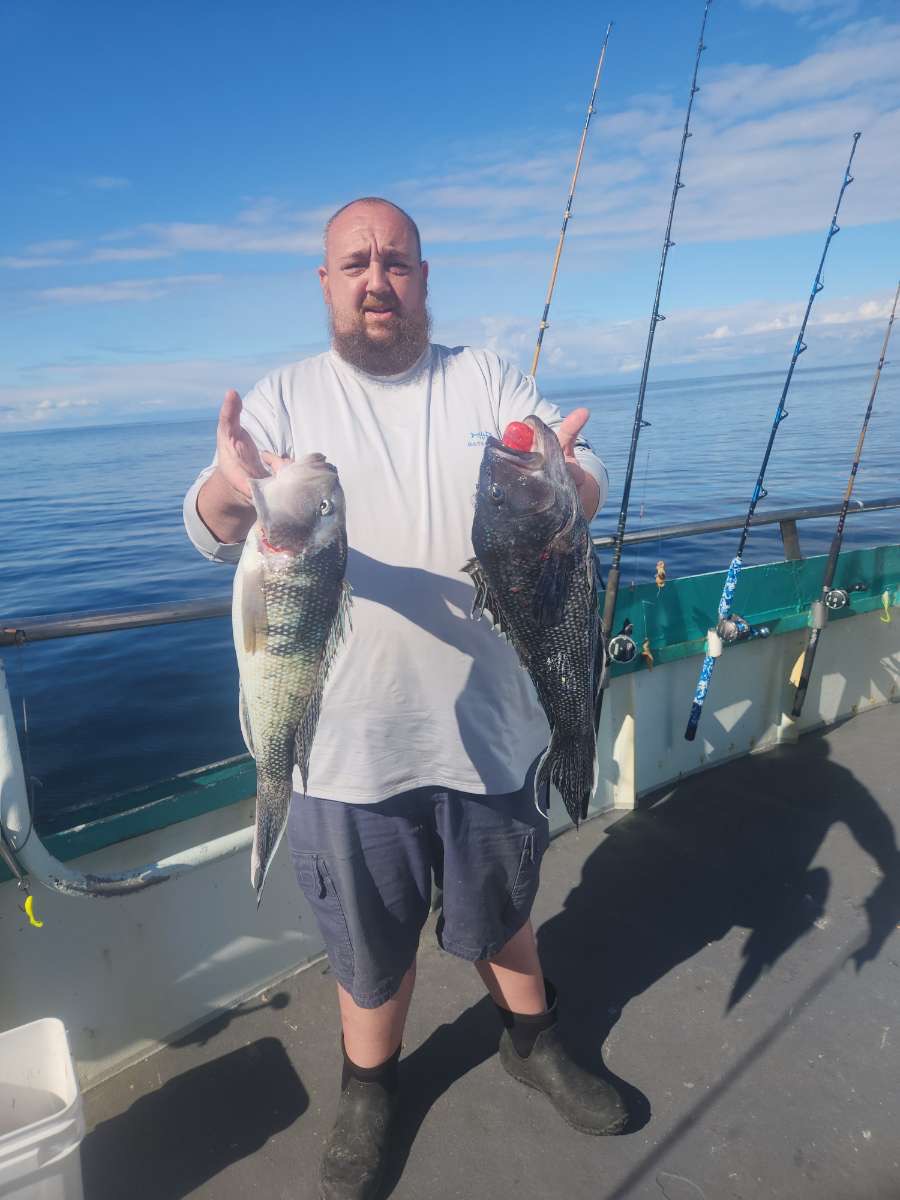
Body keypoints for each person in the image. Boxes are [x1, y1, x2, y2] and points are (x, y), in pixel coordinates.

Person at [184, 197, 626, 1200]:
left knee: (505, 910)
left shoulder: (484, 375)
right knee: (368, 947)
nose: (376, 279)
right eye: (356, 263)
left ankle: (532, 1040)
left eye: (396, 262)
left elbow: (581, 466)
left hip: (490, 723)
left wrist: (567, 480)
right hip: (343, 745)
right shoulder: (285, 398)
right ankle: (370, 1092)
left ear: (424, 277)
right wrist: (227, 490)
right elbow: (211, 520)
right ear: (327, 282)